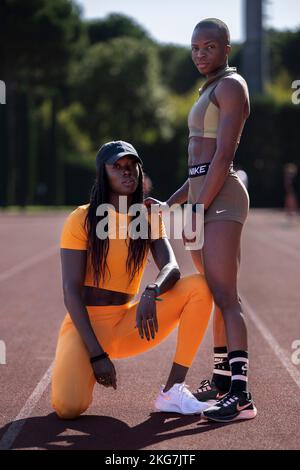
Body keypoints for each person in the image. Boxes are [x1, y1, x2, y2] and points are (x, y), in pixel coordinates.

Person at [51, 140, 213, 420]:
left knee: (199, 286)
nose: (127, 172)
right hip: (85, 328)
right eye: (118, 167)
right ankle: (85, 363)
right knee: (68, 408)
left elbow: (171, 267)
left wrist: (153, 289)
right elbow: (70, 292)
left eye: (132, 166)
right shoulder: (81, 219)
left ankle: (173, 390)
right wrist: (97, 356)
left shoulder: (147, 216)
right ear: (103, 173)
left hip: (130, 323)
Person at [145, 19, 257, 422]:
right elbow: (197, 168)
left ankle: (242, 396)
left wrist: (196, 207)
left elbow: (222, 158)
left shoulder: (231, 86)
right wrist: (172, 202)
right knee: (215, 294)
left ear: (227, 48)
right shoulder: (208, 88)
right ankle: (223, 379)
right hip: (200, 200)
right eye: (195, 48)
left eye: (209, 47)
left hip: (221, 200)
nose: (200, 54)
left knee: (226, 296)